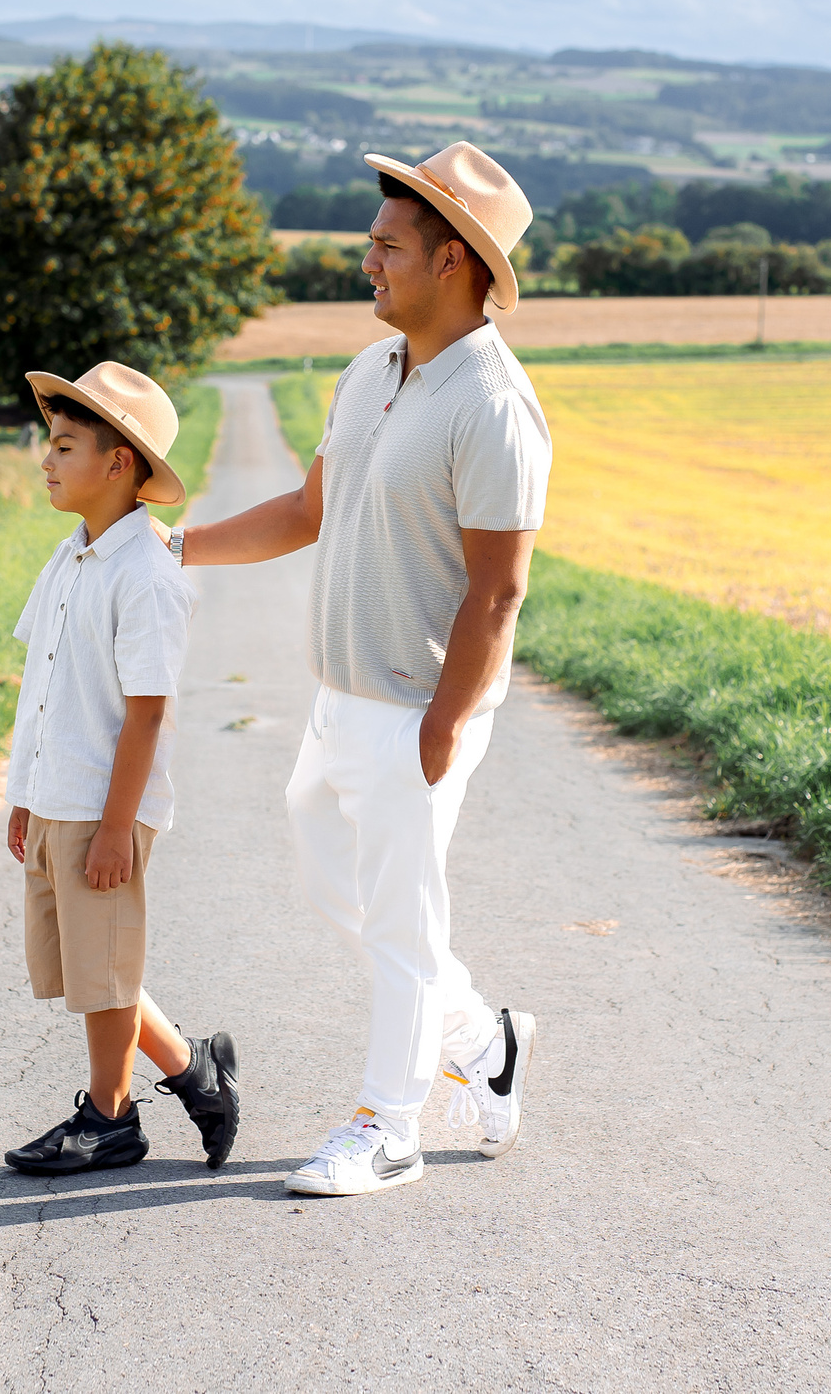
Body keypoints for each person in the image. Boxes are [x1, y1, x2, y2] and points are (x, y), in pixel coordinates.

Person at [172, 141, 549, 1197]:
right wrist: (175, 548)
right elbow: (305, 512)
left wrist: (440, 729)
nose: (367, 260)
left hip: (415, 708)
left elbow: (497, 591)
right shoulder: (369, 372)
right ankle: (482, 1042)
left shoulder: (492, 403)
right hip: (338, 699)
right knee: (335, 885)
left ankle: (390, 1126)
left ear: (453, 263)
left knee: (400, 922)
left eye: (387, 246)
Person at [1, 361, 241, 1175]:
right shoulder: (68, 559)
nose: (47, 459)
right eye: (48, 443)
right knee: (90, 966)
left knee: (101, 971)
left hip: (107, 802)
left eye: (65, 445)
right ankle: (193, 1070)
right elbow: (42, 686)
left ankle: (110, 1117)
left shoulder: (147, 574)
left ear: (119, 463)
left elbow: (146, 713)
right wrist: (23, 796)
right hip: (60, 792)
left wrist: (114, 827)